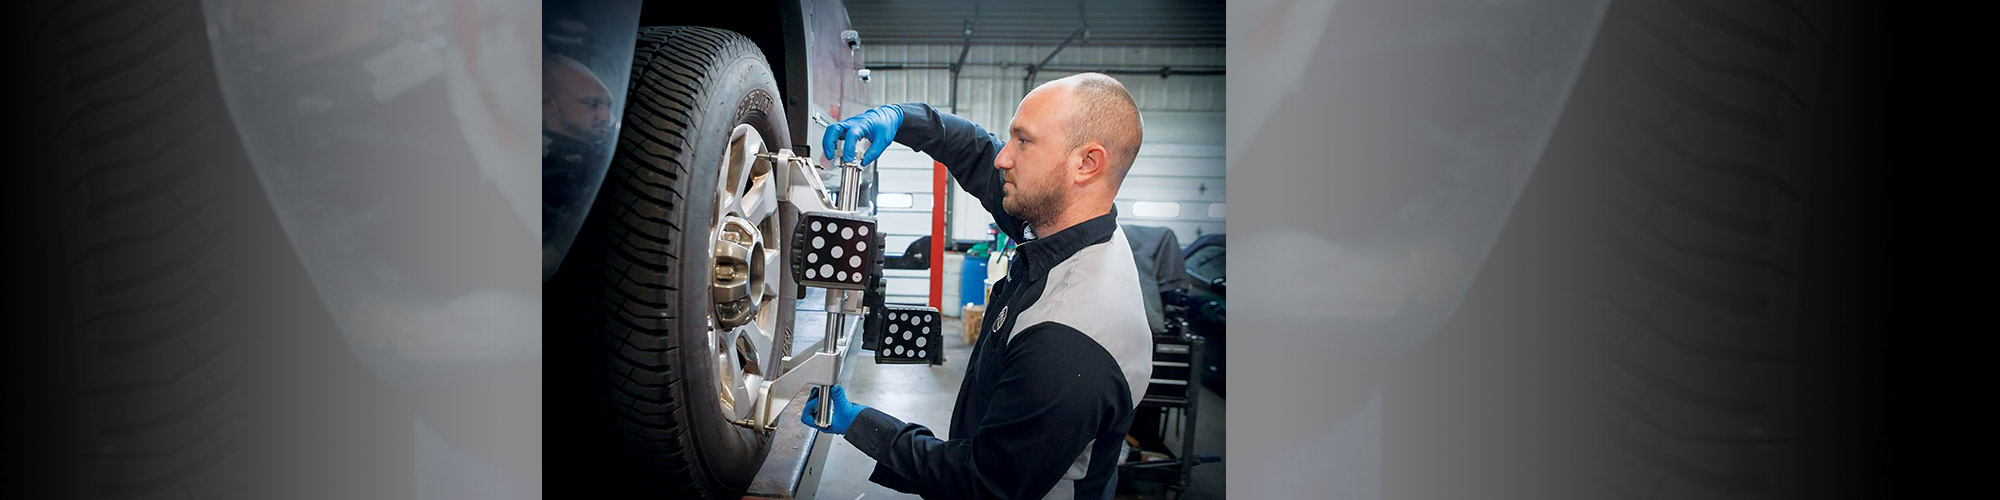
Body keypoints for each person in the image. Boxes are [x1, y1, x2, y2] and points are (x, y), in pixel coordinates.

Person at [804, 73, 1154, 499]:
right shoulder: (1064, 225)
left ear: (1086, 163)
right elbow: (975, 150)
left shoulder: (1068, 339)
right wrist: (899, 120)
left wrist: (863, 425)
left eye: (1023, 141)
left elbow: (982, 484)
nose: (1004, 157)